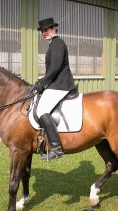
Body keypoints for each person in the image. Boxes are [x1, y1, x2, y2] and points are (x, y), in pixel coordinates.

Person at [34, 17, 76, 160]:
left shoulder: (57, 43)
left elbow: (55, 68)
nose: (44, 33)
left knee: (41, 110)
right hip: (56, 84)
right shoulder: (53, 44)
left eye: (46, 30)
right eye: (42, 31)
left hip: (61, 85)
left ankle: (56, 148)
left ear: (54, 29)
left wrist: (42, 82)